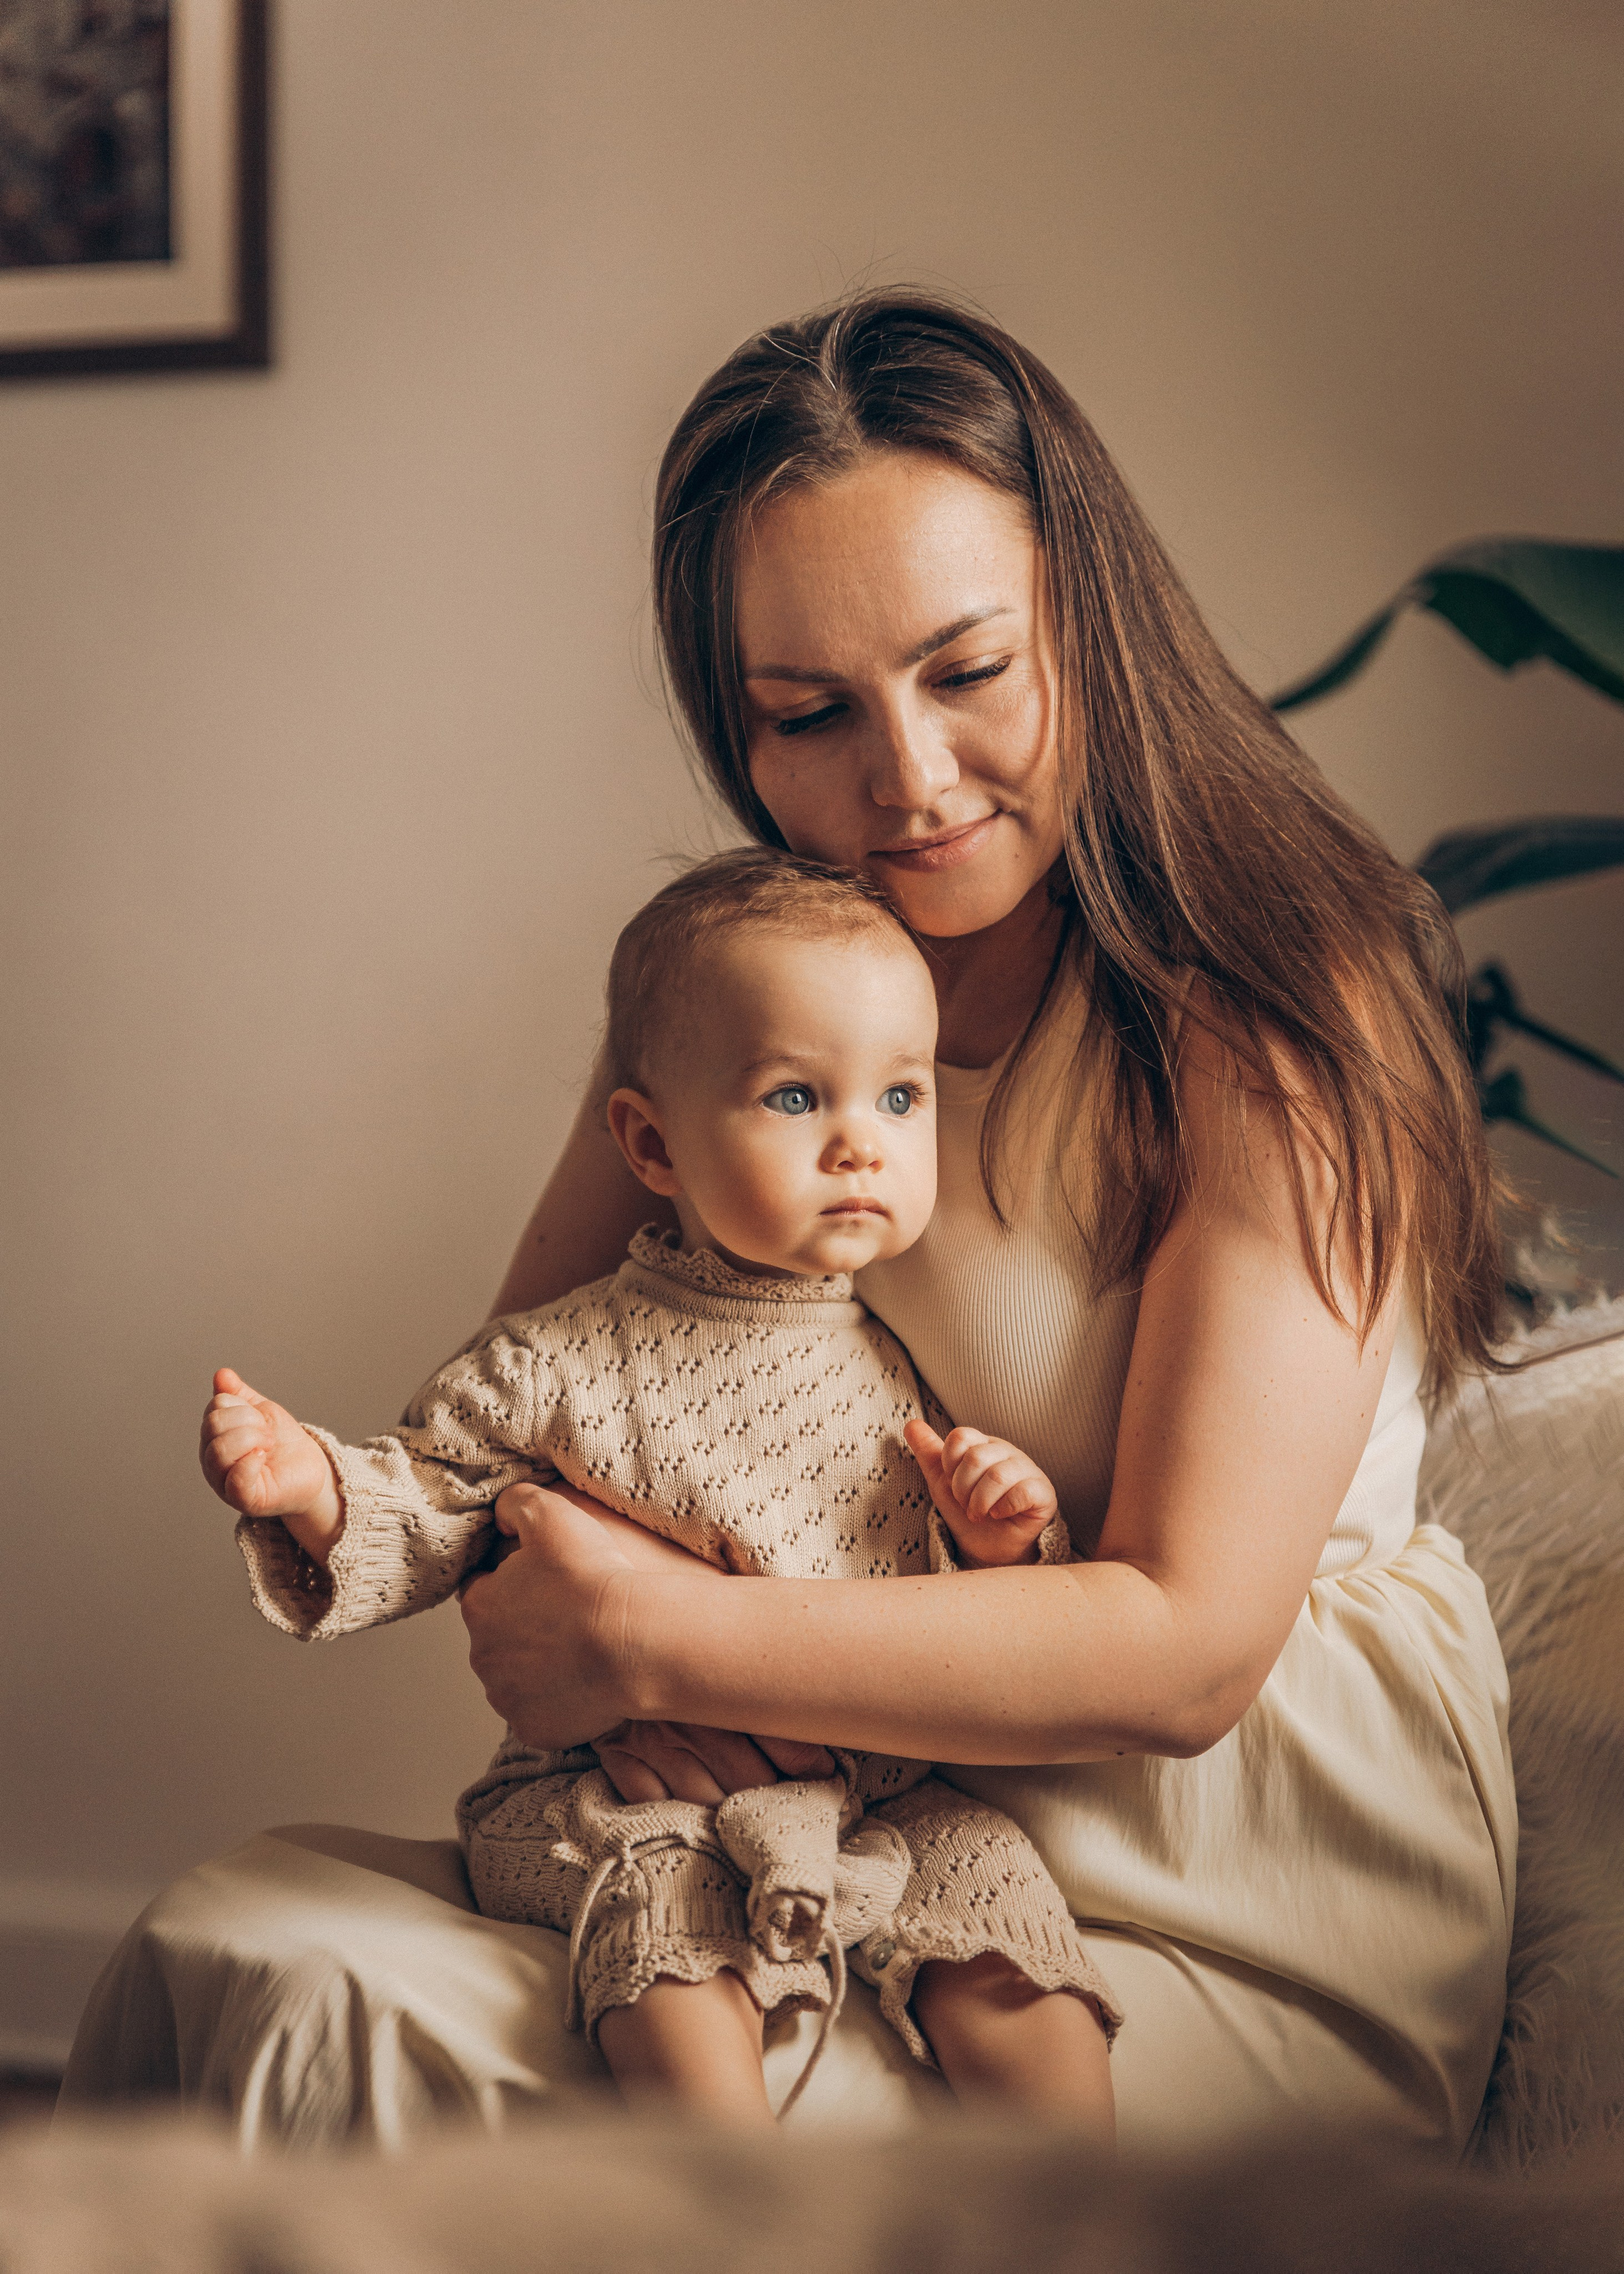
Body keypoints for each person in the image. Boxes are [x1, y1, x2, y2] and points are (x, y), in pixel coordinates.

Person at [62, 291, 1515, 2156]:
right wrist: (600, 1645)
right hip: (811, 1812)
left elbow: (1186, 1653)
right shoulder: (762, 985)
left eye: (970, 672)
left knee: (388, 2050)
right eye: (809, 715)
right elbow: (513, 1456)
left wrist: (665, 1649)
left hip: (1220, 1854)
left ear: (1096, 630)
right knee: (239, 1944)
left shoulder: (1286, 1004)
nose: (903, 779)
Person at [195, 851, 1119, 2131]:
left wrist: (1000, 1537)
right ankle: (726, 2203)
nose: (860, 1140)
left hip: (877, 1796)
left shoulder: (901, 1364)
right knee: (666, 1926)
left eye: (900, 1095)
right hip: (626, 1794)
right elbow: (441, 1501)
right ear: (650, 1141)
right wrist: (319, 1490)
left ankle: (1082, 2207)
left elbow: (958, 1616)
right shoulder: (560, 1359)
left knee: (1001, 1909)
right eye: (796, 1094)